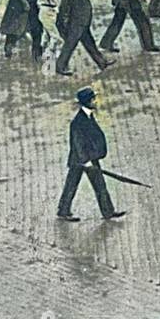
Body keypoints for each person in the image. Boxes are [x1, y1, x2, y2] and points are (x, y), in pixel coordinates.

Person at [56, 86, 126, 222]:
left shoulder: (88, 116)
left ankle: (108, 211)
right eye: (93, 99)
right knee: (72, 186)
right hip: (80, 160)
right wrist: (86, 161)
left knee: (99, 185)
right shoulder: (78, 122)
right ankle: (63, 211)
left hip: (89, 158)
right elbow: (78, 143)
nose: (95, 101)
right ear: (87, 102)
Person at [55, 0, 113, 76]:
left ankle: (102, 62)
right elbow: (65, 10)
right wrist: (66, 25)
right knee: (70, 45)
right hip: (76, 24)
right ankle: (60, 66)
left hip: (82, 23)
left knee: (90, 44)